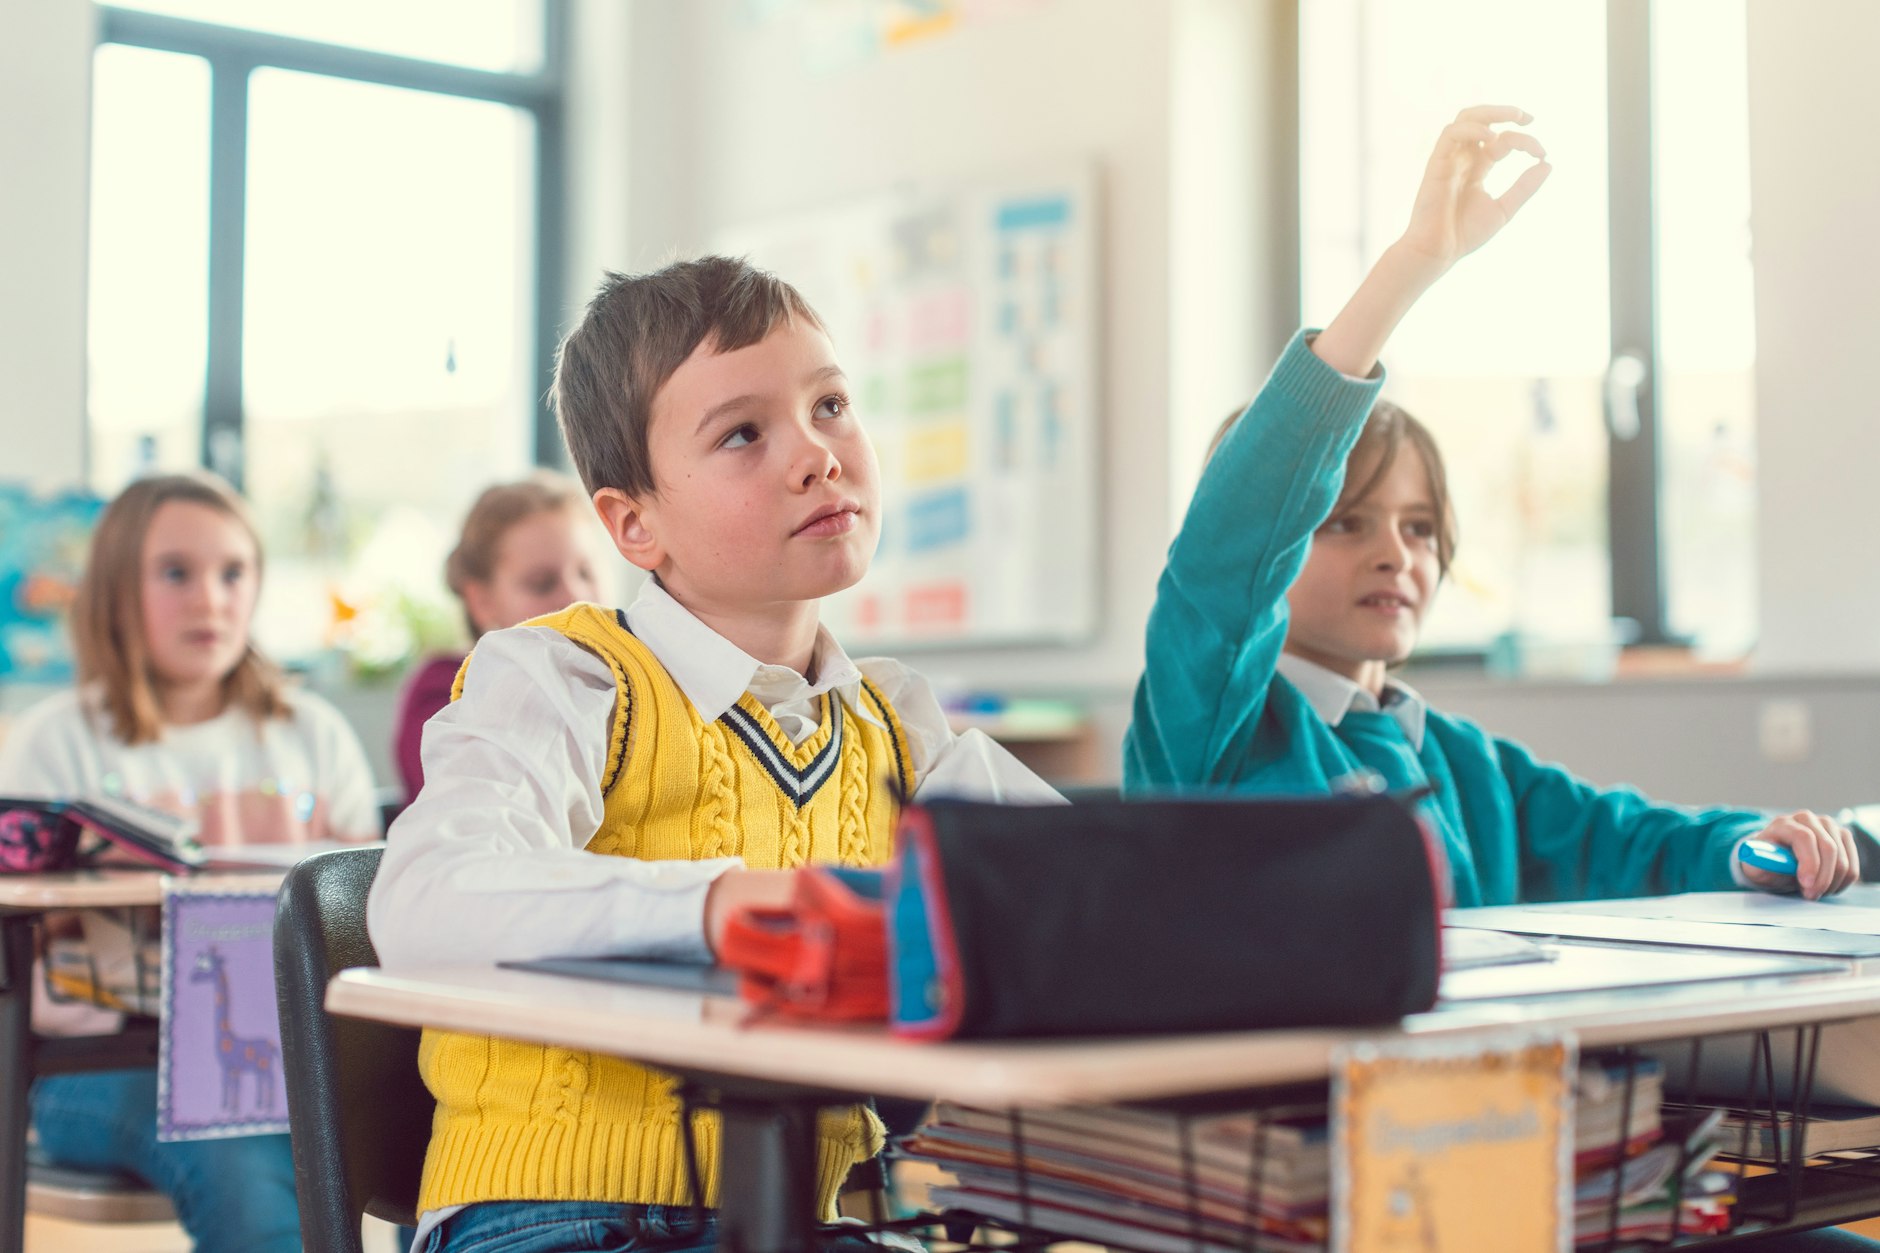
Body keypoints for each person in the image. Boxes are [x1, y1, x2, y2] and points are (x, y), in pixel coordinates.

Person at [368, 255, 1059, 1252]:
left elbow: (1094, 893)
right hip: (552, 1219)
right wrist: (721, 904)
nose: (816, 455)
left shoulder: (896, 723)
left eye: (829, 404)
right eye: (743, 433)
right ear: (633, 522)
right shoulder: (562, 677)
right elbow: (423, 895)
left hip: (799, 1221)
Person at [1124, 105, 1864, 909]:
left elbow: (1627, 840)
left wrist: (1745, 848)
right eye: (1343, 521)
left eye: (1419, 528)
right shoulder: (1211, 724)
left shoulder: (1466, 765)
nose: (1394, 555)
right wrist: (1410, 265)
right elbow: (1231, 541)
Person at [0, 470, 381, 1253]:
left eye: (233, 572)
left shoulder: (315, 732)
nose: (210, 598)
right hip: (98, 1066)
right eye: (176, 572)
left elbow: (369, 915)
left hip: (295, 1056)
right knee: (245, 1155)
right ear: (114, 587)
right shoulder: (54, 741)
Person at [391, 472, 602, 803]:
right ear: (482, 601)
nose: (577, 596)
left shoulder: (620, 681)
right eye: (542, 583)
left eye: (585, 573)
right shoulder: (441, 695)